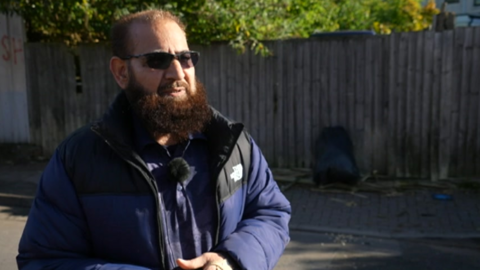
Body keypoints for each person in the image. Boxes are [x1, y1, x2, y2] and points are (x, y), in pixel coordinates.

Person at [17, 9, 291, 270]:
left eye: (185, 58)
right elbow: (43, 260)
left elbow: (271, 214)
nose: (177, 73)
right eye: (157, 60)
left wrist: (230, 260)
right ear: (121, 72)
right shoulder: (77, 159)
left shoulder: (232, 144)